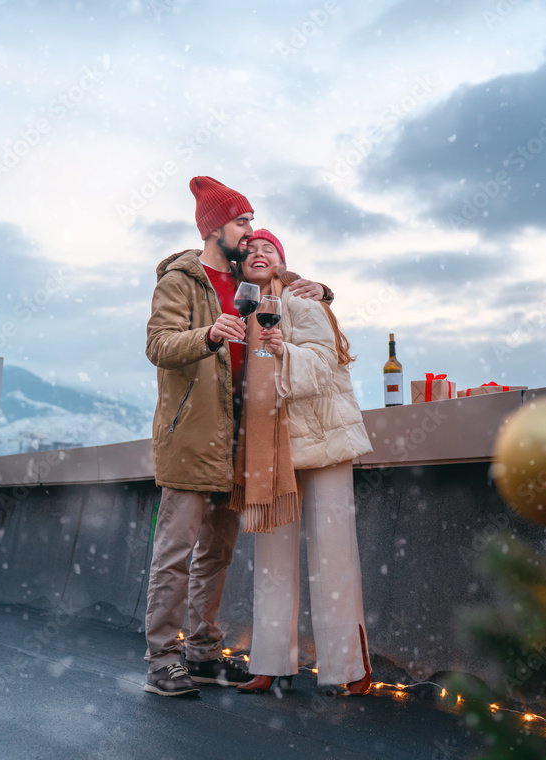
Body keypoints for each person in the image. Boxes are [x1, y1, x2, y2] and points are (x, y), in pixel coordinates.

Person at [143, 178, 332, 697]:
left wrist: (320, 288)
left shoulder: (239, 275)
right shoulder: (182, 280)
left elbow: (282, 278)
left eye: (251, 223)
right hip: (191, 433)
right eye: (243, 222)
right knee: (175, 551)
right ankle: (163, 660)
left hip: (237, 439)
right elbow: (157, 344)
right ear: (214, 227)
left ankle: (202, 653)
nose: (250, 234)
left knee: (216, 553)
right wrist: (207, 335)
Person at [228, 228, 374, 697]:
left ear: (282, 261)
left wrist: (282, 349)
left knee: (334, 556)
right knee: (271, 560)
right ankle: (270, 663)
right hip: (270, 449)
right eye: (250, 250)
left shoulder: (304, 300)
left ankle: (349, 668)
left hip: (322, 440)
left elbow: (323, 363)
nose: (259, 253)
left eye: (268, 249)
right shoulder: (239, 310)